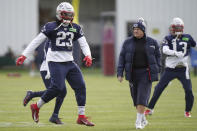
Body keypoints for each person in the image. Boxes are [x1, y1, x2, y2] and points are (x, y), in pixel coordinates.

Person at [16, 2, 95, 126]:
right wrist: (24, 55)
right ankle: (36, 106)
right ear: (59, 14)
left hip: (69, 62)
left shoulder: (76, 27)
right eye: (66, 14)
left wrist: (88, 55)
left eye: (70, 14)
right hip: (55, 62)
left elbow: (83, 43)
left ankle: (81, 116)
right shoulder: (51, 26)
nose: (69, 17)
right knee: (57, 88)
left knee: (81, 86)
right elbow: (37, 41)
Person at [144, 17, 196, 118]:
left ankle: (187, 111)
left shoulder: (188, 37)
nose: (174, 29)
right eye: (174, 27)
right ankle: (150, 108)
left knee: (189, 90)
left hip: (183, 69)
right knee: (159, 88)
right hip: (170, 69)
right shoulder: (168, 38)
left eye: (176, 27)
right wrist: (176, 53)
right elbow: (165, 50)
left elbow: (195, 45)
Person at [117, 17, 161, 129]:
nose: (135, 31)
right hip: (132, 73)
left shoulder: (152, 42)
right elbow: (122, 58)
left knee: (142, 97)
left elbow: (158, 57)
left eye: (138, 29)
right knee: (136, 99)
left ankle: (138, 122)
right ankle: (143, 119)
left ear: (143, 30)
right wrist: (120, 73)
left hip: (146, 73)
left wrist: (158, 69)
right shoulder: (127, 42)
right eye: (134, 29)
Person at [23, 39, 65, 124]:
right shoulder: (52, 39)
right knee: (58, 91)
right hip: (47, 69)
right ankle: (54, 115)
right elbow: (49, 55)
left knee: (60, 91)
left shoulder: (61, 38)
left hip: (55, 69)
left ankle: (54, 116)